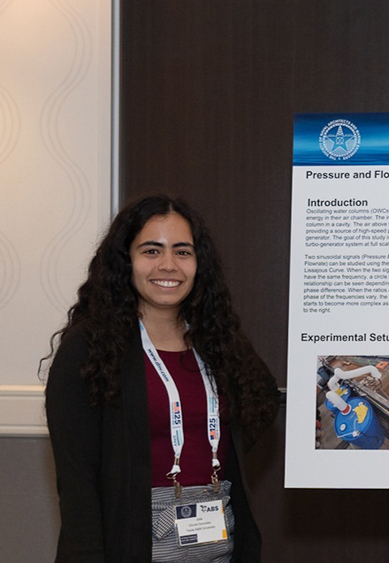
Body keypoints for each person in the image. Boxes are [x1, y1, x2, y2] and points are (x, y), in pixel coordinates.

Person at [43, 195, 279, 563]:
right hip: (130, 542)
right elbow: (77, 483)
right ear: (126, 261)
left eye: (182, 252)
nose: (168, 265)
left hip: (218, 539)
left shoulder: (216, 341)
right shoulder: (89, 348)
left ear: (199, 263)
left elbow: (261, 397)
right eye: (152, 251)